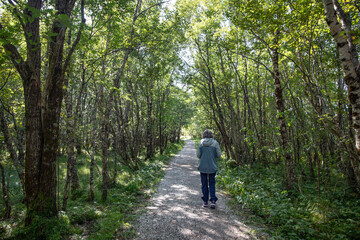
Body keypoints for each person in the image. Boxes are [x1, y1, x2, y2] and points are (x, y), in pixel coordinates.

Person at [196, 129, 222, 209]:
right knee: (212, 184)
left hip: (203, 166)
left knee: (204, 184)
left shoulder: (201, 143)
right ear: (212, 135)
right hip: (212, 166)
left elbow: (198, 155)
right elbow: (219, 155)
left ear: (204, 135)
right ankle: (213, 201)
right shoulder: (215, 143)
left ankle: (205, 202)